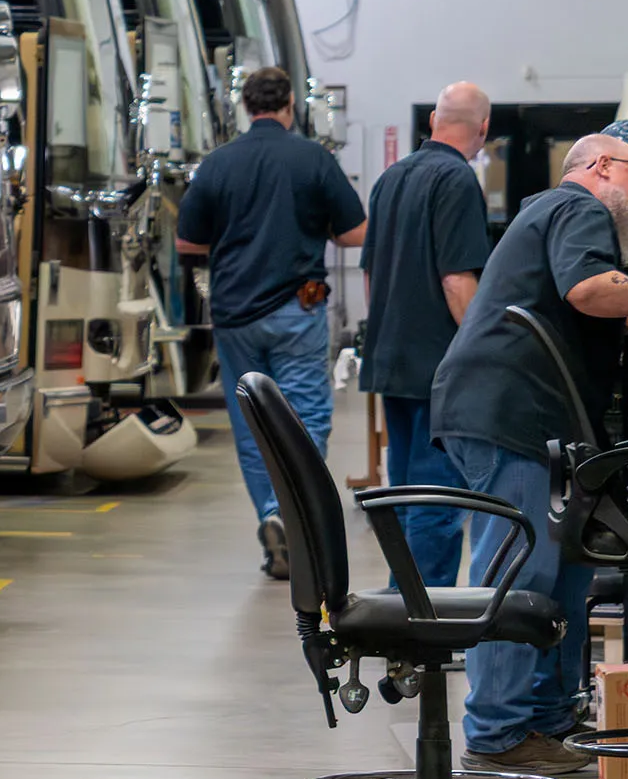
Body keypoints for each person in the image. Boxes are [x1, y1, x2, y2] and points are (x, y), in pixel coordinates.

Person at [430, 131, 628, 776]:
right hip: (510, 414)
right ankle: (497, 732)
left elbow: (606, 280)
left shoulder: (556, 212)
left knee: (565, 573)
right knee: (520, 569)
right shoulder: (577, 208)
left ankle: (549, 716)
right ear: (603, 167)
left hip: (527, 415)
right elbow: (587, 289)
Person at [177, 65, 368, 580]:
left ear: (244, 107)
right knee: (305, 413)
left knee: (250, 423)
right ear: (289, 105)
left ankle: (270, 514)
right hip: (297, 309)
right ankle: (295, 514)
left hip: (235, 315)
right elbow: (356, 233)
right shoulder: (314, 159)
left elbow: (187, 243)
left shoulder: (216, 165)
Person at [355, 82, 493, 587]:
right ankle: (427, 623)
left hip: (393, 361)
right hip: (441, 370)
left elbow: (370, 275)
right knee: (438, 499)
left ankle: (404, 605)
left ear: (434, 119)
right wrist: (486, 354)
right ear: (483, 129)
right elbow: (457, 280)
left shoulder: (390, 179)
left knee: (409, 492)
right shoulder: (457, 180)